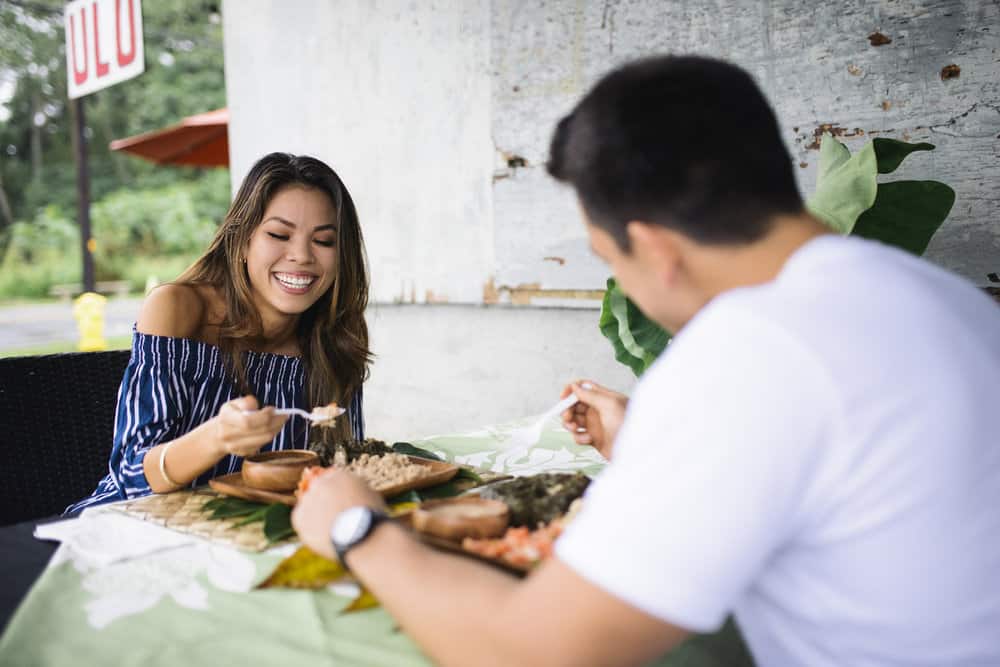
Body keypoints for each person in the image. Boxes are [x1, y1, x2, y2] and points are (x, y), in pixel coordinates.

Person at [292, 55, 1000, 666]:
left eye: (609, 259)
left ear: (654, 249)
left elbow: (533, 650)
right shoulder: (943, 299)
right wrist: (648, 441)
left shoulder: (744, 353)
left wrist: (356, 529)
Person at [67, 152, 371, 514]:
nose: (302, 256)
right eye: (278, 234)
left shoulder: (337, 336)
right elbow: (132, 475)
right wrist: (217, 437)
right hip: (134, 527)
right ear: (241, 241)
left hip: (248, 536)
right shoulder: (177, 309)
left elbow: (340, 466)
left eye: (323, 241)